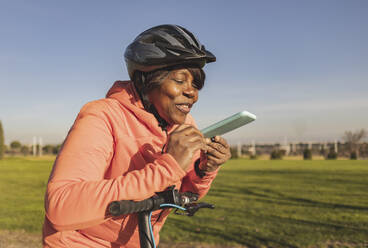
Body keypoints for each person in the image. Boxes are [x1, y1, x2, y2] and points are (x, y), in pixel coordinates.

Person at [43, 24, 231, 248]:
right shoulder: (103, 115)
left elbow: (182, 196)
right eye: (180, 81)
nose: (192, 93)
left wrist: (204, 170)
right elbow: (61, 206)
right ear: (146, 80)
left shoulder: (182, 125)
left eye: (196, 84)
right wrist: (167, 167)